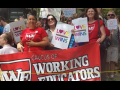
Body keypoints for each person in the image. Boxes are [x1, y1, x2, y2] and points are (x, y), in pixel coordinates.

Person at [72, 8, 106, 81]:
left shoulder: (99, 22)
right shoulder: (83, 23)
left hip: (95, 47)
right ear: (86, 13)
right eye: (89, 11)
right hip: (85, 48)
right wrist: (75, 33)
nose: (90, 12)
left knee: (95, 65)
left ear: (95, 13)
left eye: (92, 11)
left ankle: (96, 79)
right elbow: (78, 34)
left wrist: (101, 40)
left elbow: (103, 34)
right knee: (86, 65)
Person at [106, 10, 120, 81]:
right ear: (107, 16)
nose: (111, 16)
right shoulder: (104, 24)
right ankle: (106, 76)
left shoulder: (118, 26)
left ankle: (112, 75)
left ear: (114, 16)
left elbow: (118, 37)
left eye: (112, 15)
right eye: (109, 15)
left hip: (115, 46)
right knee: (107, 62)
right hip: (107, 47)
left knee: (113, 61)